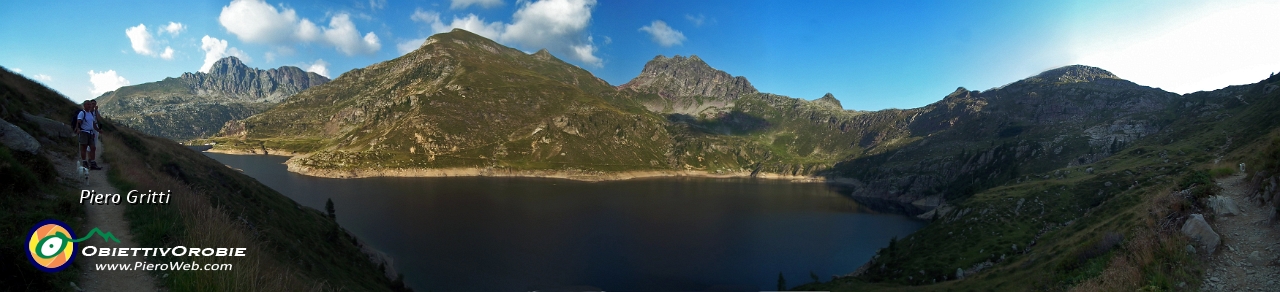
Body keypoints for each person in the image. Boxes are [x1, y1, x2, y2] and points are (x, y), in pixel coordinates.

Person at [75, 99, 103, 170]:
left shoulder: (90, 114)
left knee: (93, 147)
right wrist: (78, 129)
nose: (90, 106)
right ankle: (84, 162)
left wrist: (98, 130)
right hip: (84, 132)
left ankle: (92, 163)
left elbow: (93, 123)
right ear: (84, 105)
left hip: (90, 133)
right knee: (84, 148)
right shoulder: (82, 113)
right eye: (88, 104)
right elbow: (79, 121)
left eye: (90, 104)